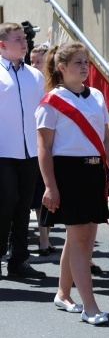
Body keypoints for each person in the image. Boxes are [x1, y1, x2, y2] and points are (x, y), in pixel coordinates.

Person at [36, 41, 109, 325]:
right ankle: (90, 306)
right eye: (78, 63)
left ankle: (63, 293)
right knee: (82, 242)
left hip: (94, 173)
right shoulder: (51, 102)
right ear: (62, 68)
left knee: (80, 238)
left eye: (86, 62)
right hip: (68, 174)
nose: (85, 67)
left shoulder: (96, 95)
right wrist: (50, 185)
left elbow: (107, 139)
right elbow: (44, 148)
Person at [0, 22, 46, 279]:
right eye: (17, 39)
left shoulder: (35, 75)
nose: (23, 42)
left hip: (30, 151)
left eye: (23, 38)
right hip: (3, 151)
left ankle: (19, 260)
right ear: (2, 45)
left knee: (24, 205)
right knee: (5, 202)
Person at [27, 44, 56, 257]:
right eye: (32, 61)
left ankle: (44, 240)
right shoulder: (29, 84)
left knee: (42, 196)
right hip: (29, 145)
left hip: (47, 147)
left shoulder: (52, 89)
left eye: (38, 61)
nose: (34, 65)